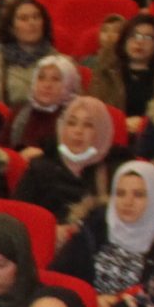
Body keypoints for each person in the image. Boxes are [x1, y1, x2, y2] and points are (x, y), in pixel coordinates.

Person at [53, 159, 154, 300]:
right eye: (120, 194)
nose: (128, 202)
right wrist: (91, 300)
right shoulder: (94, 227)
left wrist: (120, 305)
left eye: (138, 195)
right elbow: (58, 279)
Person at [19, 96, 125, 232]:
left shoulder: (114, 170)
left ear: (101, 131)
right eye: (71, 123)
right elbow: (20, 217)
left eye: (88, 125)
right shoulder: (40, 168)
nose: (78, 131)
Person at [90, 15, 154, 127]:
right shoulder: (106, 71)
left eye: (148, 37)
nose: (139, 42)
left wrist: (143, 125)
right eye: (134, 35)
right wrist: (122, 124)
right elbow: (95, 111)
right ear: (124, 40)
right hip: (113, 133)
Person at [0, 53, 81, 159]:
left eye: (55, 79)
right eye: (41, 78)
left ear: (68, 84)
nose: (47, 85)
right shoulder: (19, 113)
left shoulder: (74, 118)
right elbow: (0, 152)